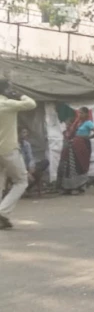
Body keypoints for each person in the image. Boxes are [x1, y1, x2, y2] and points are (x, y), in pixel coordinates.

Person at [0, 78, 37, 229]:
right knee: (21, 181)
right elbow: (31, 104)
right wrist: (19, 95)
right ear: (6, 90)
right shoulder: (8, 104)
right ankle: (3, 212)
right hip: (8, 149)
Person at [58, 108, 94, 194]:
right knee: (71, 166)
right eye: (79, 113)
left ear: (86, 114)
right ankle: (68, 187)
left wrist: (89, 137)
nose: (80, 115)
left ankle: (78, 186)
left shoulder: (88, 123)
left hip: (83, 146)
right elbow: (70, 134)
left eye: (82, 113)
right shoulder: (77, 123)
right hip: (73, 147)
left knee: (80, 165)